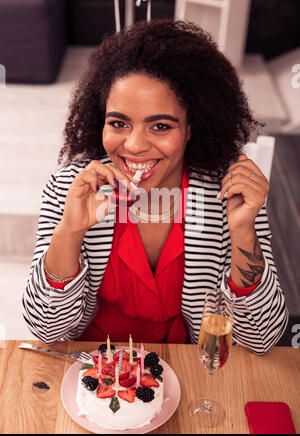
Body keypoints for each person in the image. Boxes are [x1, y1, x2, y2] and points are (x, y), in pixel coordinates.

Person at [22, 19, 288, 354]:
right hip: (91, 369)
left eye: (160, 126)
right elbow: (45, 328)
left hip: (185, 369)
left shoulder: (229, 198)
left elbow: (261, 340)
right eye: (119, 123)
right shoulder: (69, 188)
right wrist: (70, 231)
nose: (133, 145)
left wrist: (243, 232)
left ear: (192, 128)